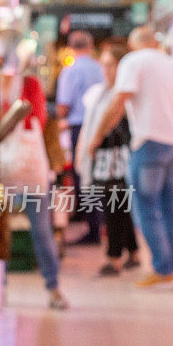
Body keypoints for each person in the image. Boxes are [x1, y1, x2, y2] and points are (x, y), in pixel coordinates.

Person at [88, 26, 173, 287]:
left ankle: (162, 266)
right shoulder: (168, 62)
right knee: (168, 206)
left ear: (134, 44)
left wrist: (97, 135)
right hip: (170, 143)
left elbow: (118, 101)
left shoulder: (134, 61)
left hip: (147, 142)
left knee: (144, 207)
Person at [0, 39, 69, 309]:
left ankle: (49, 288)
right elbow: (37, 119)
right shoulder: (15, 85)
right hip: (15, 167)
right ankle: (46, 289)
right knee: (23, 230)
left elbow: (36, 118)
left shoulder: (20, 86)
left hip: (16, 167)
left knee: (31, 229)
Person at [75, 43, 139, 276]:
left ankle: (114, 258)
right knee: (120, 206)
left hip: (118, 158)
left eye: (110, 64)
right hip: (104, 158)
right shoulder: (102, 91)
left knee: (115, 206)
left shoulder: (124, 93)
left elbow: (112, 120)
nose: (105, 69)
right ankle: (133, 252)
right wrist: (84, 147)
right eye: (103, 64)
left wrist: (94, 139)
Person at [56, 30, 104, 244]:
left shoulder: (70, 71)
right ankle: (100, 224)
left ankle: (93, 230)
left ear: (70, 48)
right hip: (103, 128)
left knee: (83, 177)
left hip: (80, 128)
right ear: (91, 46)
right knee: (100, 176)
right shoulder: (100, 68)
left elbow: (63, 106)